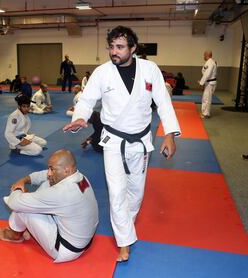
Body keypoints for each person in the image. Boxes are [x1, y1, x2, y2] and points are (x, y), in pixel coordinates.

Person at [63, 25, 181, 262]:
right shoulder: (102, 72)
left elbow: (163, 102)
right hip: (113, 140)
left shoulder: (150, 70)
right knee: (117, 193)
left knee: (136, 193)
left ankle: (126, 224)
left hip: (140, 141)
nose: (113, 52)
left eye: (119, 47)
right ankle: (124, 241)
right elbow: (87, 99)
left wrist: (169, 133)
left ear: (133, 48)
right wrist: (80, 117)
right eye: (111, 47)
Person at [0, 149, 98, 263]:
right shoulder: (79, 177)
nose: (49, 172)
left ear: (67, 170)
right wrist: (24, 180)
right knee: (47, 183)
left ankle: (14, 234)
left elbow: (14, 203)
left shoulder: (62, 193)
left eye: (52, 169)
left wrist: (18, 188)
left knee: (23, 209)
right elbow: (44, 175)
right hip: (83, 239)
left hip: (65, 249)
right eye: (49, 168)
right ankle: (24, 225)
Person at [199, 50, 217, 119]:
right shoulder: (210, 62)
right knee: (206, 98)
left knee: (206, 99)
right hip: (209, 82)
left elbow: (207, 74)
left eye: (204, 55)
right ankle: (205, 112)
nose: (203, 56)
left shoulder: (210, 63)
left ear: (207, 55)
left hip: (210, 83)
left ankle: (206, 114)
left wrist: (201, 83)